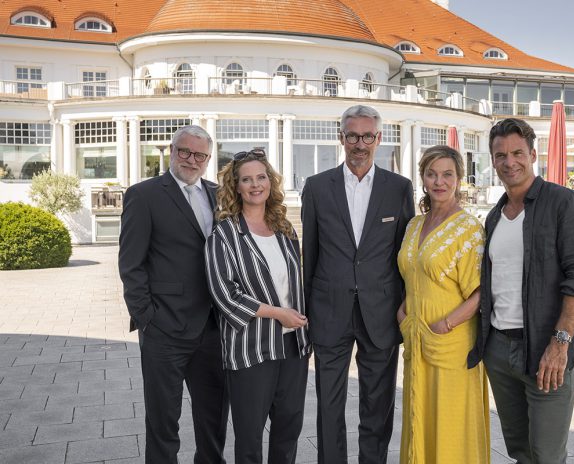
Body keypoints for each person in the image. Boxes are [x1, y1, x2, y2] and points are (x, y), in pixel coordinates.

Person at [468, 118, 574, 464]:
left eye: (517, 153)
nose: (509, 162)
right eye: (500, 155)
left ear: (533, 154)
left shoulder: (564, 204)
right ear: (492, 160)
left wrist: (560, 344)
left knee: (546, 455)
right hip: (499, 350)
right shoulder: (495, 215)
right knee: (521, 451)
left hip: (546, 349)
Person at [301, 105, 415, 464]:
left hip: (381, 312)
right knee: (329, 405)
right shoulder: (317, 187)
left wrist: (405, 305)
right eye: (352, 135)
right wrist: (306, 313)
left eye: (367, 136)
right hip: (329, 311)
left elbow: (405, 254)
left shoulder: (399, 188)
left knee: (378, 403)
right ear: (341, 138)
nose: (359, 143)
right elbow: (311, 254)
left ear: (379, 139)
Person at [118, 125, 227, 463]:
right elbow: (130, 264)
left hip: (214, 328)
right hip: (165, 329)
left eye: (199, 155)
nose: (191, 160)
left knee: (214, 420)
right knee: (164, 421)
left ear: (208, 159)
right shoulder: (144, 194)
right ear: (171, 150)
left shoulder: (219, 194)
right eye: (184, 151)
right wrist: (147, 317)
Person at [205, 149, 311, 464]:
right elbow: (224, 294)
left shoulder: (285, 229)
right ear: (235, 187)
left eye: (261, 177)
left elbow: (296, 282)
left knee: (288, 431)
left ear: (270, 182)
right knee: (250, 438)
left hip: (293, 347)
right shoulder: (223, 235)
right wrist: (277, 313)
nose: (255, 185)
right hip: (251, 350)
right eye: (246, 179)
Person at [397, 145, 490, 464]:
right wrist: (403, 311)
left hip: (451, 341)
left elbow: (481, 293)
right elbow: (413, 275)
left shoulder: (468, 229)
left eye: (447, 174)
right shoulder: (413, 225)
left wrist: (446, 324)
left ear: (459, 179)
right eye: (432, 174)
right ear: (422, 178)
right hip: (417, 339)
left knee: (451, 423)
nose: (439, 181)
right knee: (419, 416)